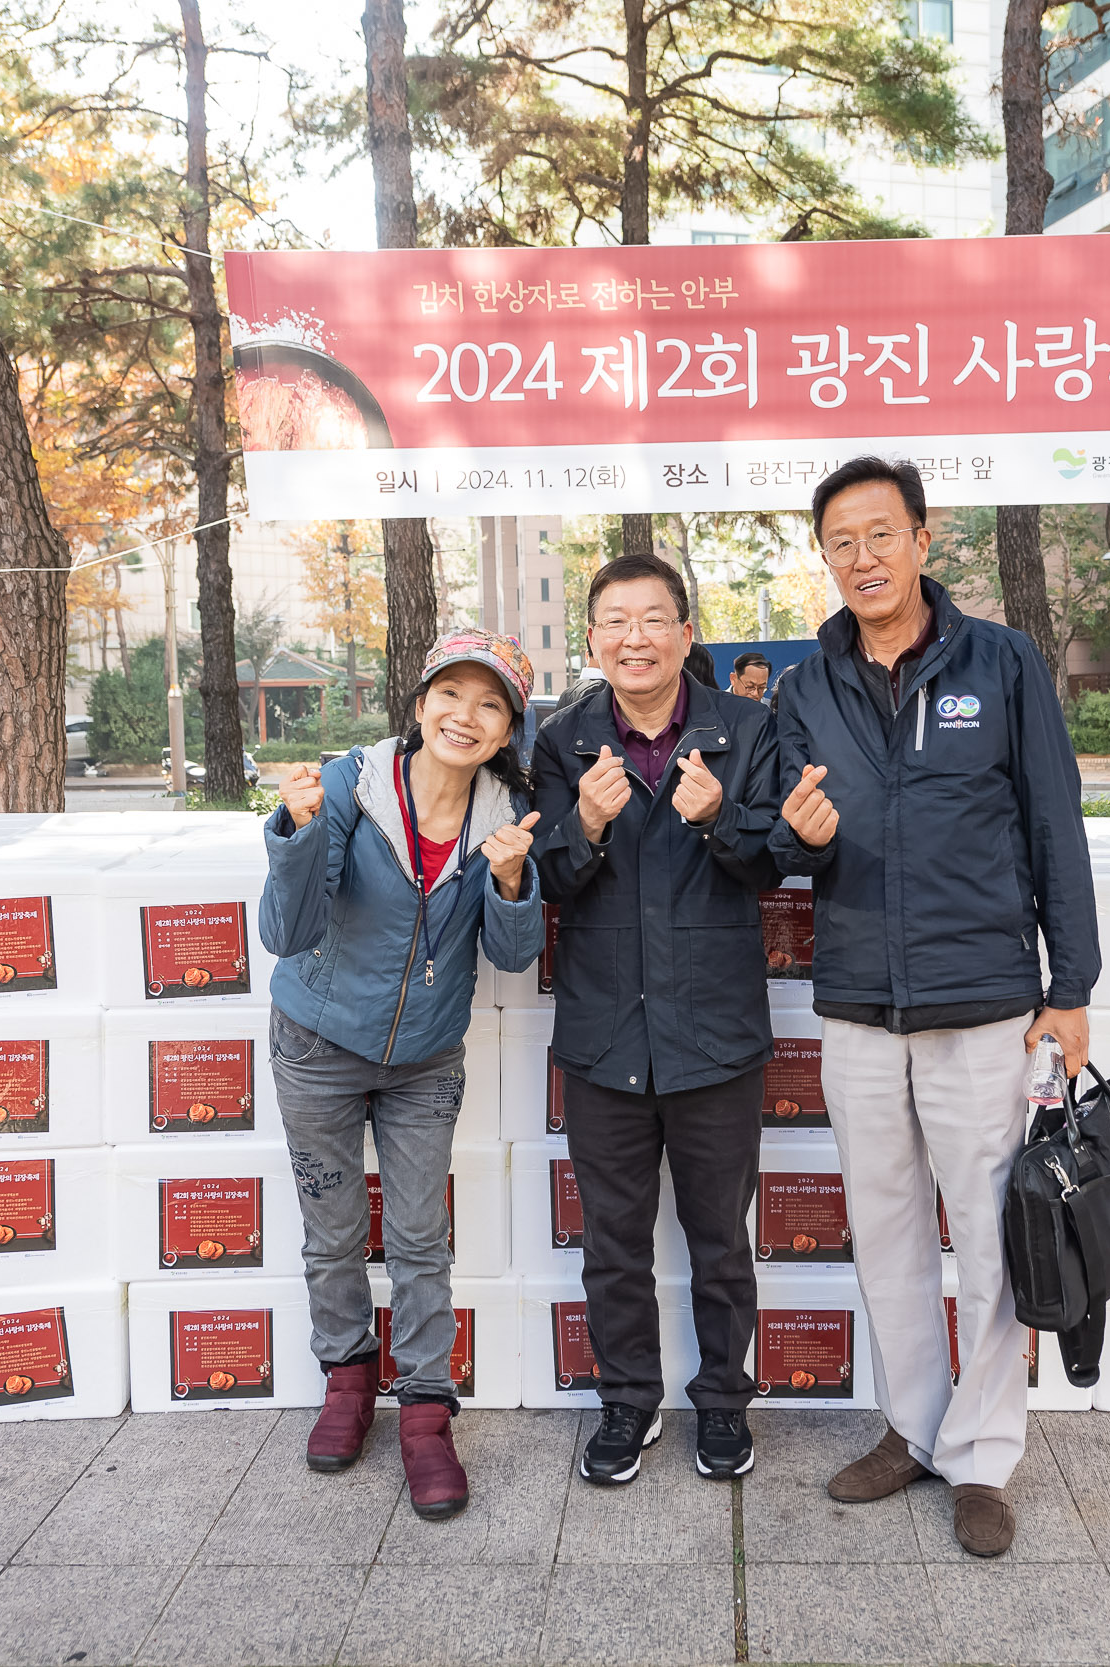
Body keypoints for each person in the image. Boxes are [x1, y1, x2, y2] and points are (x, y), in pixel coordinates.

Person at [767, 456, 1098, 1559]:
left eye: (878, 533)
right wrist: (792, 836)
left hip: (982, 1004)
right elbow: (771, 833)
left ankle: (983, 1456)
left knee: (993, 1240)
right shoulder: (804, 684)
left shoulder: (998, 662)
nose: (860, 558)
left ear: (922, 538)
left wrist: (1071, 989)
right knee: (889, 1229)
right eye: (839, 542)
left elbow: (1056, 825)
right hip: (859, 1004)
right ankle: (911, 1427)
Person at [260, 630, 546, 1522]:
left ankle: (425, 1410)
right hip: (317, 1043)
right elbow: (288, 929)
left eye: (490, 704)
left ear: (507, 729)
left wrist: (508, 882)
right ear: (420, 705)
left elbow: (513, 952)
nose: (467, 716)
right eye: (451, 696)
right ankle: (346, 1380)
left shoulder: (505, 815)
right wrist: (301, 831)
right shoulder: (349, 786)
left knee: (420, 1235)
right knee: (333, 1226)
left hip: (424, 1059)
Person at [532, 554, 783, 1486]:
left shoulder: (749, 728)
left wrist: (722, 818)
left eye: (653, 619)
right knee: (614, 1242)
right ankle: (628, 1402)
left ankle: (722, 1403)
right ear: (593, 638)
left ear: (685, 632)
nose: (633, 637)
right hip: (604, 1038)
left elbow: (774, 865)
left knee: (721, 1238)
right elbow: (547, 880)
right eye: (614, 621)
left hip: (715, 1034)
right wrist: (584, 829)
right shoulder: (561, 742)